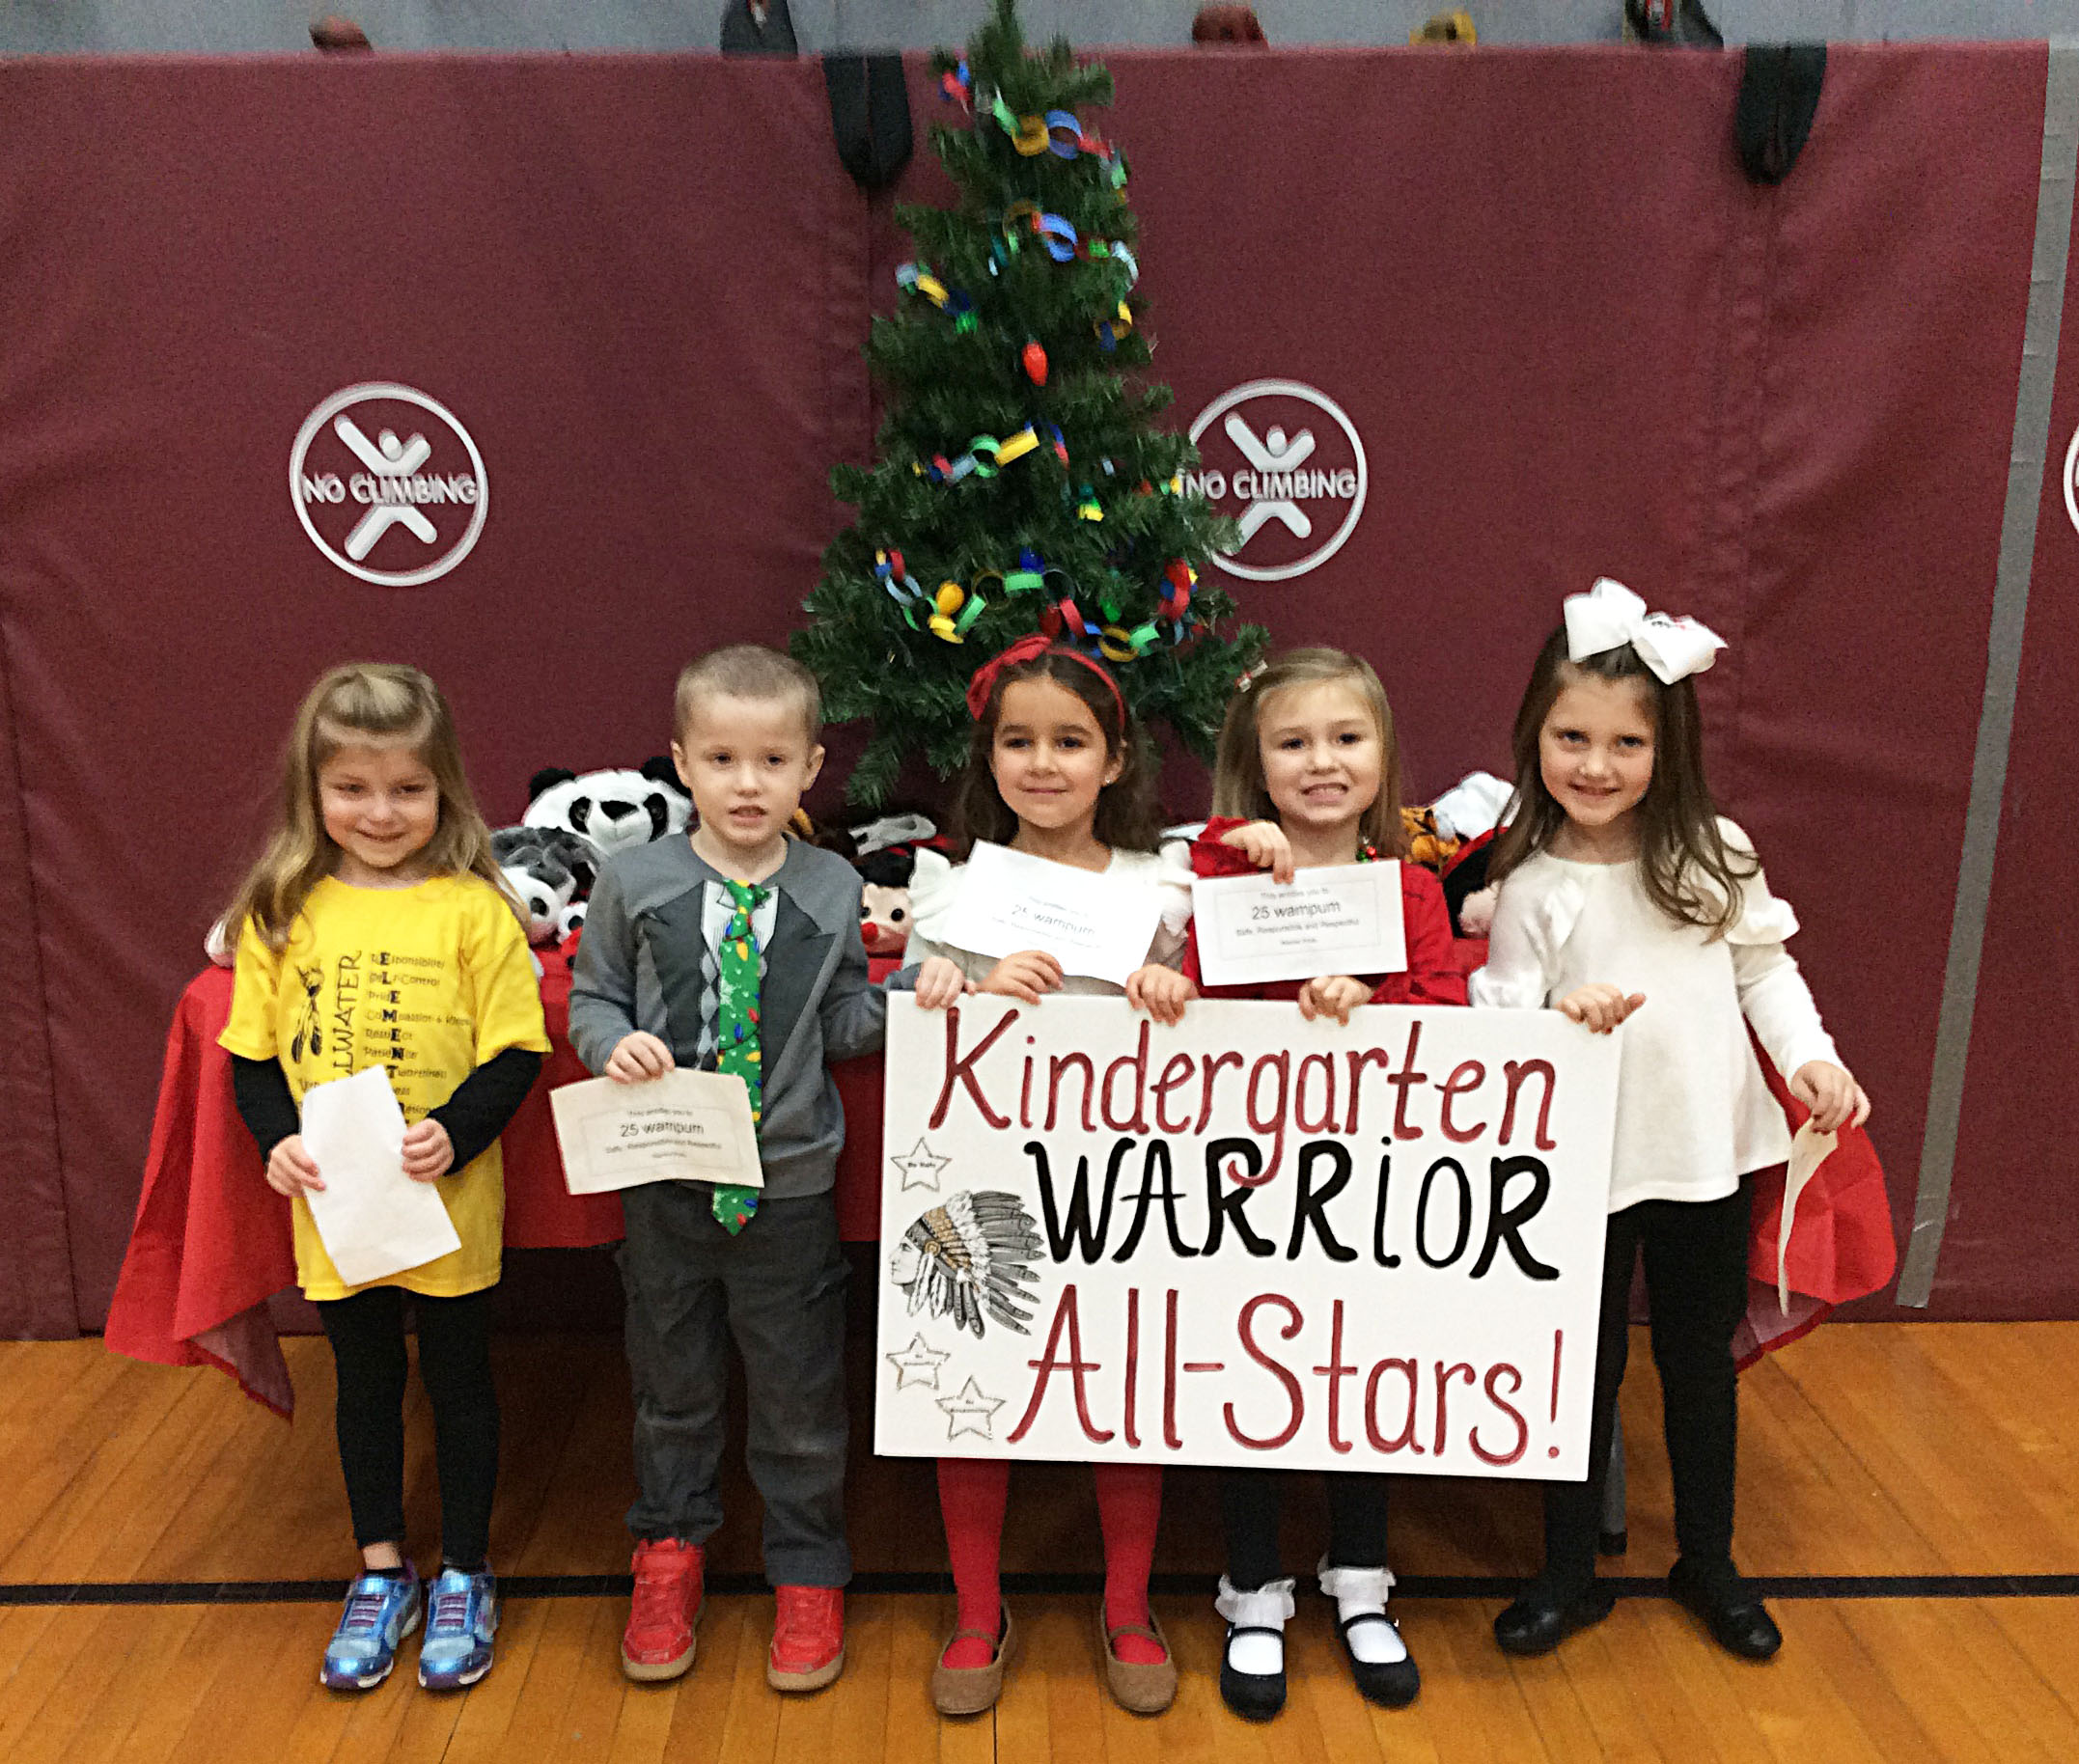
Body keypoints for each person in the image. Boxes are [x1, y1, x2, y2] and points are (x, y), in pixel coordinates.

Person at [1471, 580, 1869, 1662]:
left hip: (1704, 1150)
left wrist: (1812, 1059)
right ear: (1534, 737)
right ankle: (1564, 1569)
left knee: (1695, 1358)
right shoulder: (1523, 875)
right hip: (1577, 1163)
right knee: (1578, 1365)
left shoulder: (1713, 851)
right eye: (1571, 737)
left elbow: (1764, 971)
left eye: (1625, 743)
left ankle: (1708, 1557)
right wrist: (1554, 1010)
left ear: (1668, 747)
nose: (1595, 765)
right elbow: (1501, 1011)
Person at [221, 663, 549, 1692]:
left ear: (444, 788)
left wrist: (458, 1130)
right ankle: (379, 1572)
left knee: (457, 1383)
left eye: (407, 788)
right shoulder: (282, 910)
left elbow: (516, 1051)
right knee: (362, 1383)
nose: (379, 811)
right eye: (352, 788)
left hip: (448, 1201)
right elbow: (252, 1053)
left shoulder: (473, 910)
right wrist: (276, 1140)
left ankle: (462, 1569)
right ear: (312, 792)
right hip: (337, 1205)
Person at [568, 645, 885, 1694]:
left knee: (800, 1394)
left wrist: (914, 995)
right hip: (664, 1180)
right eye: (721, 759)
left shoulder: (834, 885)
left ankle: (807, 1568)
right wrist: (612, 1045)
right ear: (680, 765)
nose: (747, 784)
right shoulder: (634, 880)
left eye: (772, 760)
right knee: (673, 1386)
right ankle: (668, 1550)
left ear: (811, 768)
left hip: (788, 1182)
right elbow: (593, 999)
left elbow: (841, 1018)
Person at [901, 633, 1193, 1717]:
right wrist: (952, 987)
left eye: (1070, 742)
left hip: (1122, 1186)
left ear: (1113, 760)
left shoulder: (1160, 890)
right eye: (1019, 741)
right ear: (990, 759)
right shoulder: (954, 889)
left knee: (1124, 1385)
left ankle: (1127, 1602)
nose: (1043, 763)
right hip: (986, 1185)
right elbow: (921, 1019)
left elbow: (1202, 1020)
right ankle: (979, 1606)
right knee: (971, 1388)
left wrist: (1169, 993)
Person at [1177, 647, 1466, 1718]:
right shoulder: (1221, 877)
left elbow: (1446, 1016)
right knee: (1249, 1380)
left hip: (1370, 1192)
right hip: (1243, 1190)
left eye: (1346, 738)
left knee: (1357, 1379)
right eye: (1293, 743)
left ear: (1383, 755)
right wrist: (1209, 887)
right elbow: (1182, 984)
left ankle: (1360, 1578)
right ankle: (1253, 1591)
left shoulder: (1413, 892)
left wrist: (1381, 1004)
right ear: (1255, 766)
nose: (1322, 762)